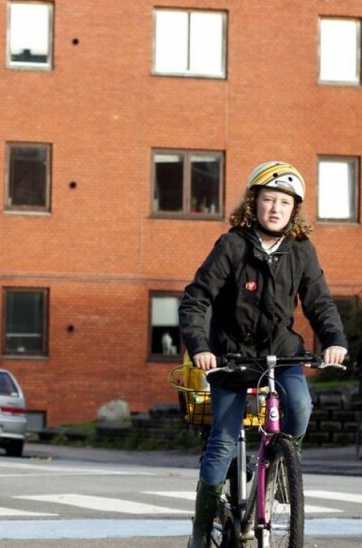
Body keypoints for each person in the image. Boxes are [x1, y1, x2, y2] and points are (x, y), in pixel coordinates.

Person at [179, 160, 348, 548]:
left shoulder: (302, 251)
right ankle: (201, 529)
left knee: (301, 407)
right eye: (268, 200)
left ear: (294, 210)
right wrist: (201, 348)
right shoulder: (232, 245)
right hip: (230, 357)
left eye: (284, 203)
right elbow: (196, 299)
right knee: (222, 440)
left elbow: (319, 304)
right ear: (253, 203)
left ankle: (281, 468)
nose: (275, 209)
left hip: (281, 353)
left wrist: (334, 340)